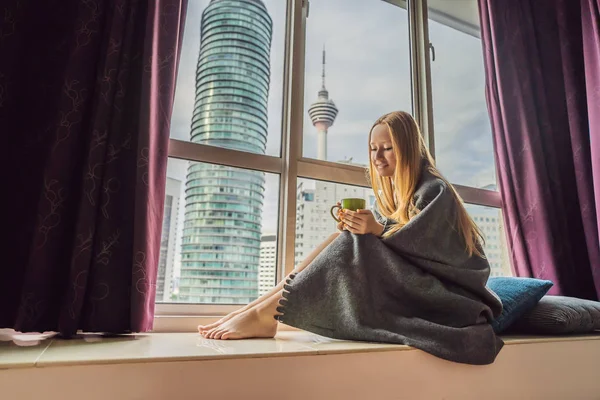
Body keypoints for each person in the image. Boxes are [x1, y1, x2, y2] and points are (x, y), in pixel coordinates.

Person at [198, 111, 503, 365]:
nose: (378, 156)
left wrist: (377, 231)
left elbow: (442, 254)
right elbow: (396, 248)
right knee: (339, 237)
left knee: (351, 243)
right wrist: (365, 228)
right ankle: (259, 309)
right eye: (373, 148)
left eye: (388, 148)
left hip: (449, 297)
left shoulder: (434, 190)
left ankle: (266, 315)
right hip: (418, 286)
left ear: (409, 148)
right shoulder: (396, 196)